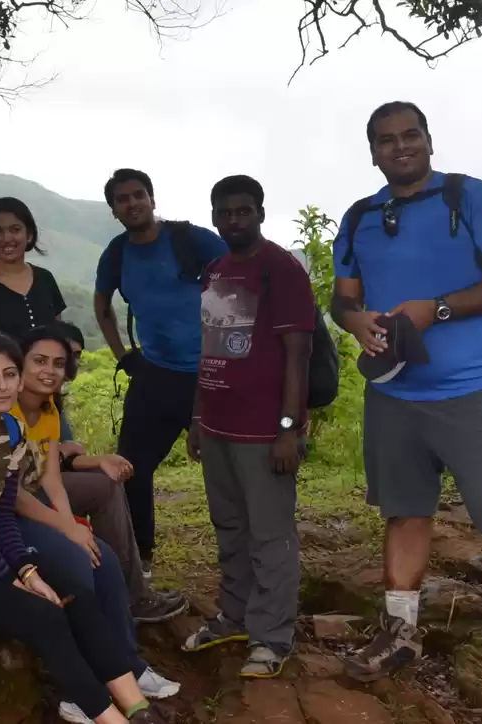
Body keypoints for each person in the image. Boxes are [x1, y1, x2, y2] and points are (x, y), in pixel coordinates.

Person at [330, 101, 482, 719]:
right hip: (394, 392)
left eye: (411, 135)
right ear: (373, 150)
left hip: (475, 390)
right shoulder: (359, 217)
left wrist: (432, 309)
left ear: (429, 140)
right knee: (404, 516)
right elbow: (343, 297)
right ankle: (399, 635)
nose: (400, 147)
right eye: (386, 139)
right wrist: (355, 321)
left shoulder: (471, 198)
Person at [0, 331, 166, 724]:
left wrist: (27, 570)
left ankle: (138, 707)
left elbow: (2, 516)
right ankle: (112, 719)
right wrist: (14, 577)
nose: (2, 385)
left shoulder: (12, 430)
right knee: (45, 614)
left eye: (9, 374)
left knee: (76, 595)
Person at [183, 175, 316, 678]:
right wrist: (198, 418)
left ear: (260, 212)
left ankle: (272, 636)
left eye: (243, 210)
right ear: (214, 216)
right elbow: (210, 346)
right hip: (217, 427)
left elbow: (297, 353)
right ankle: (233, 617)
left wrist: (288, 428)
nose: (234, 219)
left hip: (265, 433)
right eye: (224, 212)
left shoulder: (280, 268)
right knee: (230, 528)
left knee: (270, 535)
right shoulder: (215, 270)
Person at [93, 169, 229, 577]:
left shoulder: (192, 239)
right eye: (122, 199)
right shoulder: (117, 253)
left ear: (152, 198)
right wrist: (124, 355)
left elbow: (239, 282)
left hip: (214, 372)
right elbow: (102, 305)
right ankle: (141, 561)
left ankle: (238, 560)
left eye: (138, 195)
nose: (132, 204)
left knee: (225, 469)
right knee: (132, 467)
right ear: (114, 210)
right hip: (154, 373)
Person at [11, 326, 189, 629]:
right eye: (39, 361)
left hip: (32, 487)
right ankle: (122, 600)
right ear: (19, 363)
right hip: (2, 506)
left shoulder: (48, 407)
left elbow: (50, 474)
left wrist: (70, 525)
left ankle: (133, 597)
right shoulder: (6, 410)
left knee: (105, 487)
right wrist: (67, 528)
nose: (49, 371)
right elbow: (11, 494)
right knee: (91, 546)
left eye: (58, 363)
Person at [0, 197, 66, 344]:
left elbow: (59, 341)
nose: (6, 238)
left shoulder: (46, 279)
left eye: (15, 230)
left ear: (29, 235)